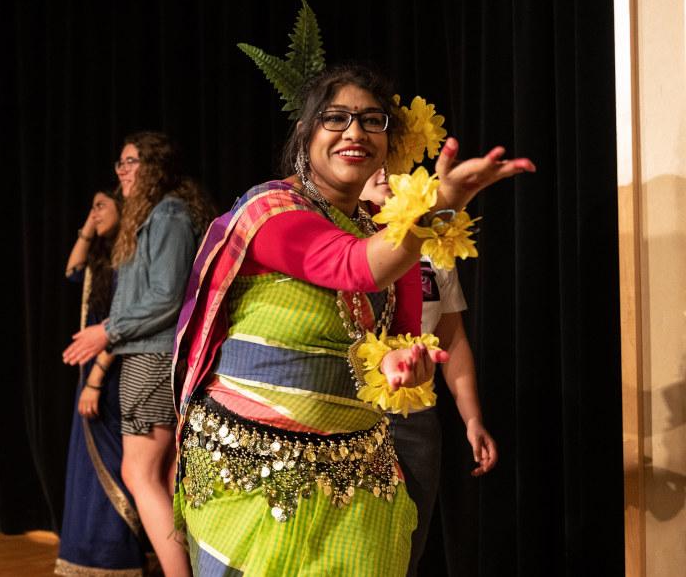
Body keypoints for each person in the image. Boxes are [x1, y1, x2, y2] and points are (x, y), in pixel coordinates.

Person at [171, 64, 534, 576]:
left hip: (358, 478)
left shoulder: (386, 235)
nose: (355, 132)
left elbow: (391, 342)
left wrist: (403, 368)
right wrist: (439, 209)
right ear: (305, 130)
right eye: (335, 118)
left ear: (392, 141)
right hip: (258, 479)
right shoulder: (271, 213)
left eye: (372, 120)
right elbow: (351, 265)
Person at [63, 133, 214, 577]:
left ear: (154, 167)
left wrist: (106, 330)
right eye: (120, 162)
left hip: (152, 357)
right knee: (162, 475)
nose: (121, 171)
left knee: (139, 473)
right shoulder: (154, 215)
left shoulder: (167, 213)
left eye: (131, 162)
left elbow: (166, 297)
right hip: (147, 355)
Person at [361, 168, 499, 576]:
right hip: (354, 418)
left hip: (415, 423)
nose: (382, 171)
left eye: (390, 159)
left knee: (405, 554)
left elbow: (453, 340)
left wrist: (472, 419)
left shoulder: (432, 246)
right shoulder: (342, 241)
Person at [56, 188, 148, 576]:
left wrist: (96, 379)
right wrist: (87, 229)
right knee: (86, 470)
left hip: (115, 371)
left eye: (100, 206)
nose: (93, 213)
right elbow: (71, 271)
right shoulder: (101, 255)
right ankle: (88, 556)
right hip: (92, 370)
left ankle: (118, 556)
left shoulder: (129, 257)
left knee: (116, 465)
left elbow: (121, 325)